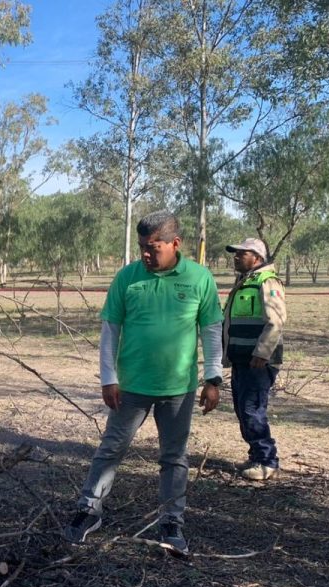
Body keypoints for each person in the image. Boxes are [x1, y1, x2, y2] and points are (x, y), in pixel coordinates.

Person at [64, 211, 223, 557]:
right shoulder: (127, 278)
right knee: (111, 449)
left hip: (178, 388)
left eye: (154, 248)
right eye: (142, 248)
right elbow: (110, 329)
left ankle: (171, 521)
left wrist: (213, 379)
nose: (146, 255)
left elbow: (211, 331)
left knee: (174, 456)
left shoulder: (199, 278)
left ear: (175, 244)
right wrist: (109, 377)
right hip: (131, 387)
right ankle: (89, 510)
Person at [222, 237, 286, 481]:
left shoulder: (266, 281)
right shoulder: (244, 282)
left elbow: (276, 320)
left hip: (258, 362)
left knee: (252, 409)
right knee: (242, 409)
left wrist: (262, 352)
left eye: (242, 253)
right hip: (241, 359)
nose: (236, 257)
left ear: (257, 258)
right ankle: (255, 454)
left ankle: (266, 460)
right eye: (235, 253)